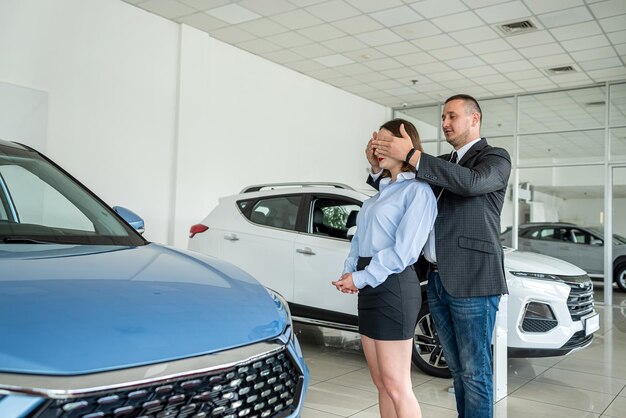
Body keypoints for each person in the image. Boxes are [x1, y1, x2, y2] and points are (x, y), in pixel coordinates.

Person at [369, 95, 511, 418]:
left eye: (451, 116)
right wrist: (379, 169)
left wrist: (412, 155)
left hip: (474, 281)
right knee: (458, 372)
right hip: (436, 280)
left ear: (474, 119)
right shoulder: (441, 163)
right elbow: (402, 195)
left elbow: (470, 183)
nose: (444, 123)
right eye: (442, 117)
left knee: (475, 373)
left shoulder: (495, 159)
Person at [332, 119, 437, 418]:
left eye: (386, 142)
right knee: (380, 383)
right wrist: (350, 273)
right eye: (376, 142)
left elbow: (403, 253)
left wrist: (362, 277)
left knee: (397, 384)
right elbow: (359, 243)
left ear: (406, 145)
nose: (378, 148)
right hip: (369, 285)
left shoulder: (418, 192)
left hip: (393, 286)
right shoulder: (381, 192)